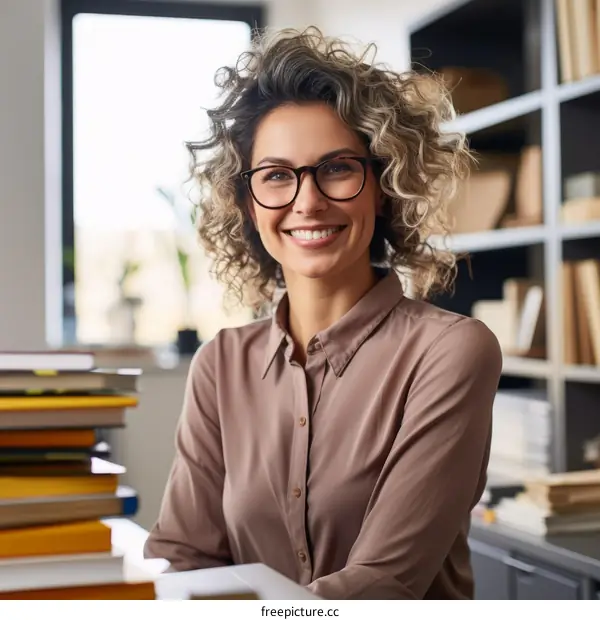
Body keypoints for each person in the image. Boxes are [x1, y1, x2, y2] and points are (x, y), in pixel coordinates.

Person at [143, 26, 502, 600]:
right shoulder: (220, 364)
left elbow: (382, 585)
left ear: (381, 185)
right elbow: (184, 559)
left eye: (336, 168)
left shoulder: (450, 351)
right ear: (248, 203)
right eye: (278, 175)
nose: (307, 201)